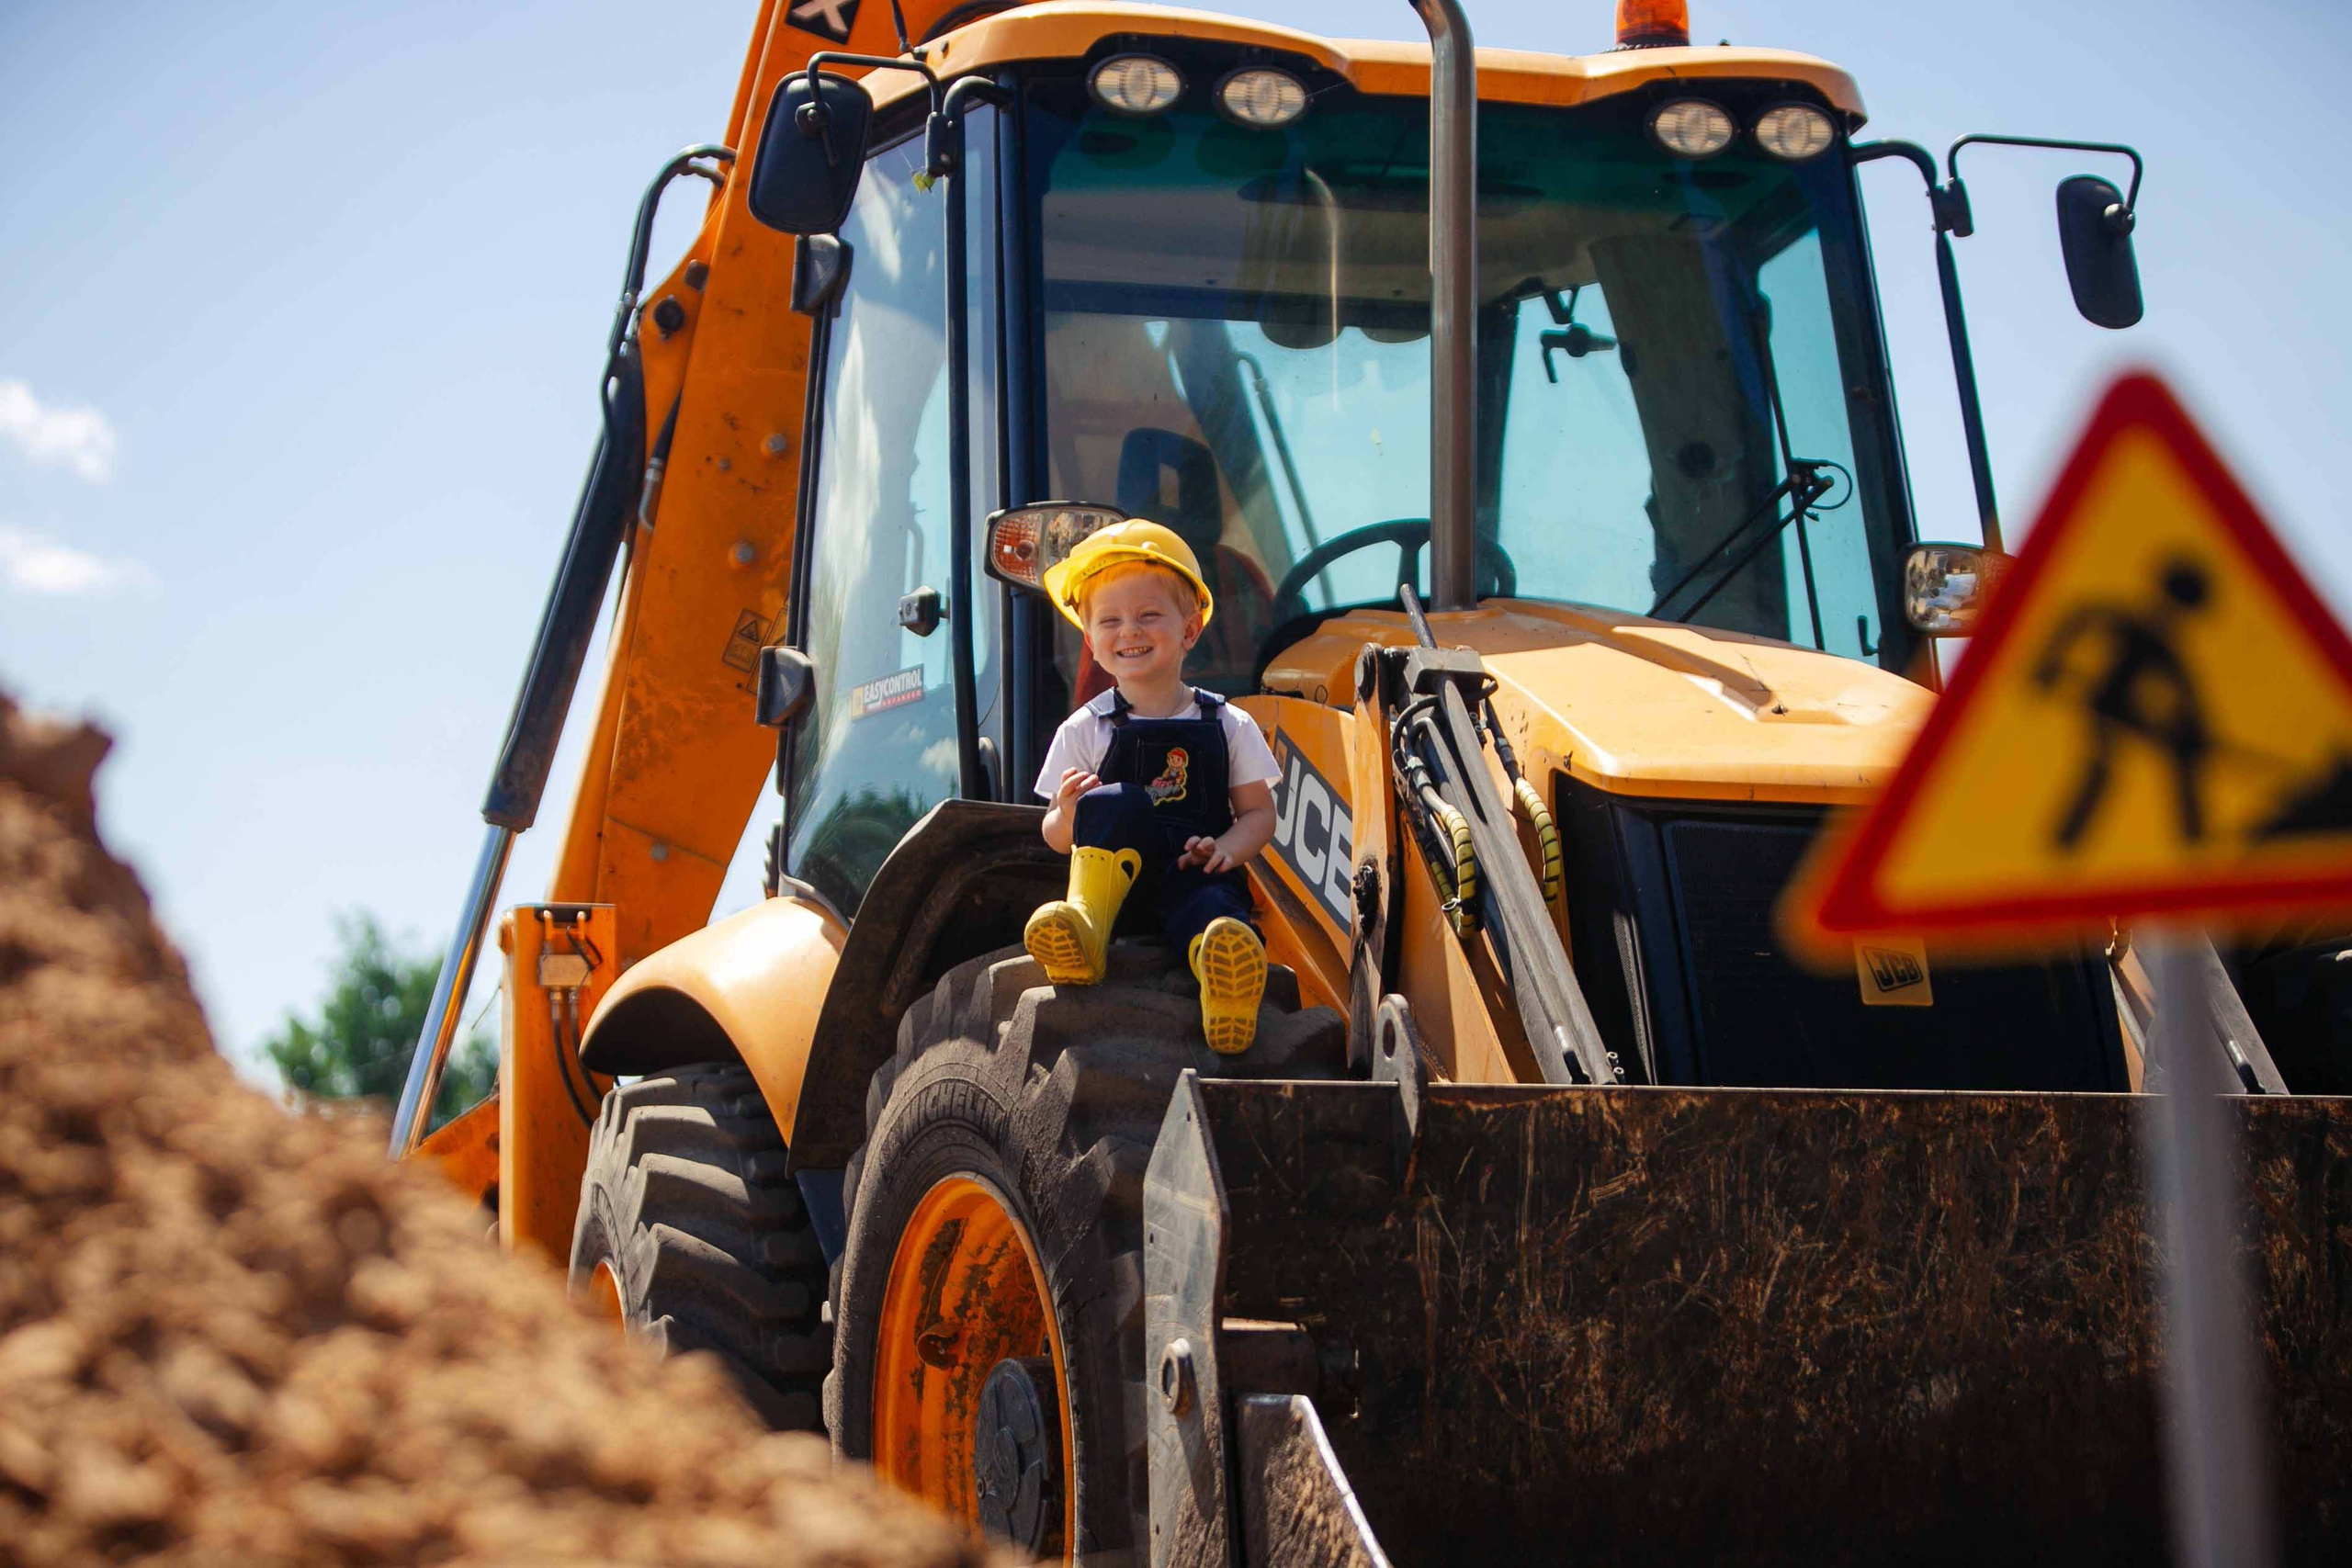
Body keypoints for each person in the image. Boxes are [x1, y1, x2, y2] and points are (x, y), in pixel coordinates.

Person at [1027, 521, 1281, 1054]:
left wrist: (1224, 851)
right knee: (1118, 801)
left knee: (1216, 914)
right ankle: (1085, 934)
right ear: (1092, 641)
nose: (1129, 632)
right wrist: (1069, 813)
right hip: (1113, 895)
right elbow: (1054, 834)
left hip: (1191, 874)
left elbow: (1259, 814)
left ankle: (1226, 987)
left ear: (1189, 631)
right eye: (1110, 621)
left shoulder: (1228, 723)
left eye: (1148, 616)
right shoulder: (1084, 728)